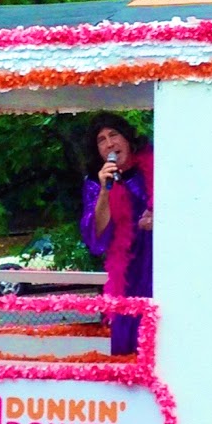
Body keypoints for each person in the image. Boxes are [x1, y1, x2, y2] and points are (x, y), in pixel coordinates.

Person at [79, 114, 153, 356]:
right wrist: (103, 191)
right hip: (127, 274)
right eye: (101, 140)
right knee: (127, 342)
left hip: (160, 262)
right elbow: (96, 236)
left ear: (128, 139)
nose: (109, 144)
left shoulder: (157, 167)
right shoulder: (95, 183)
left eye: (113, 135)